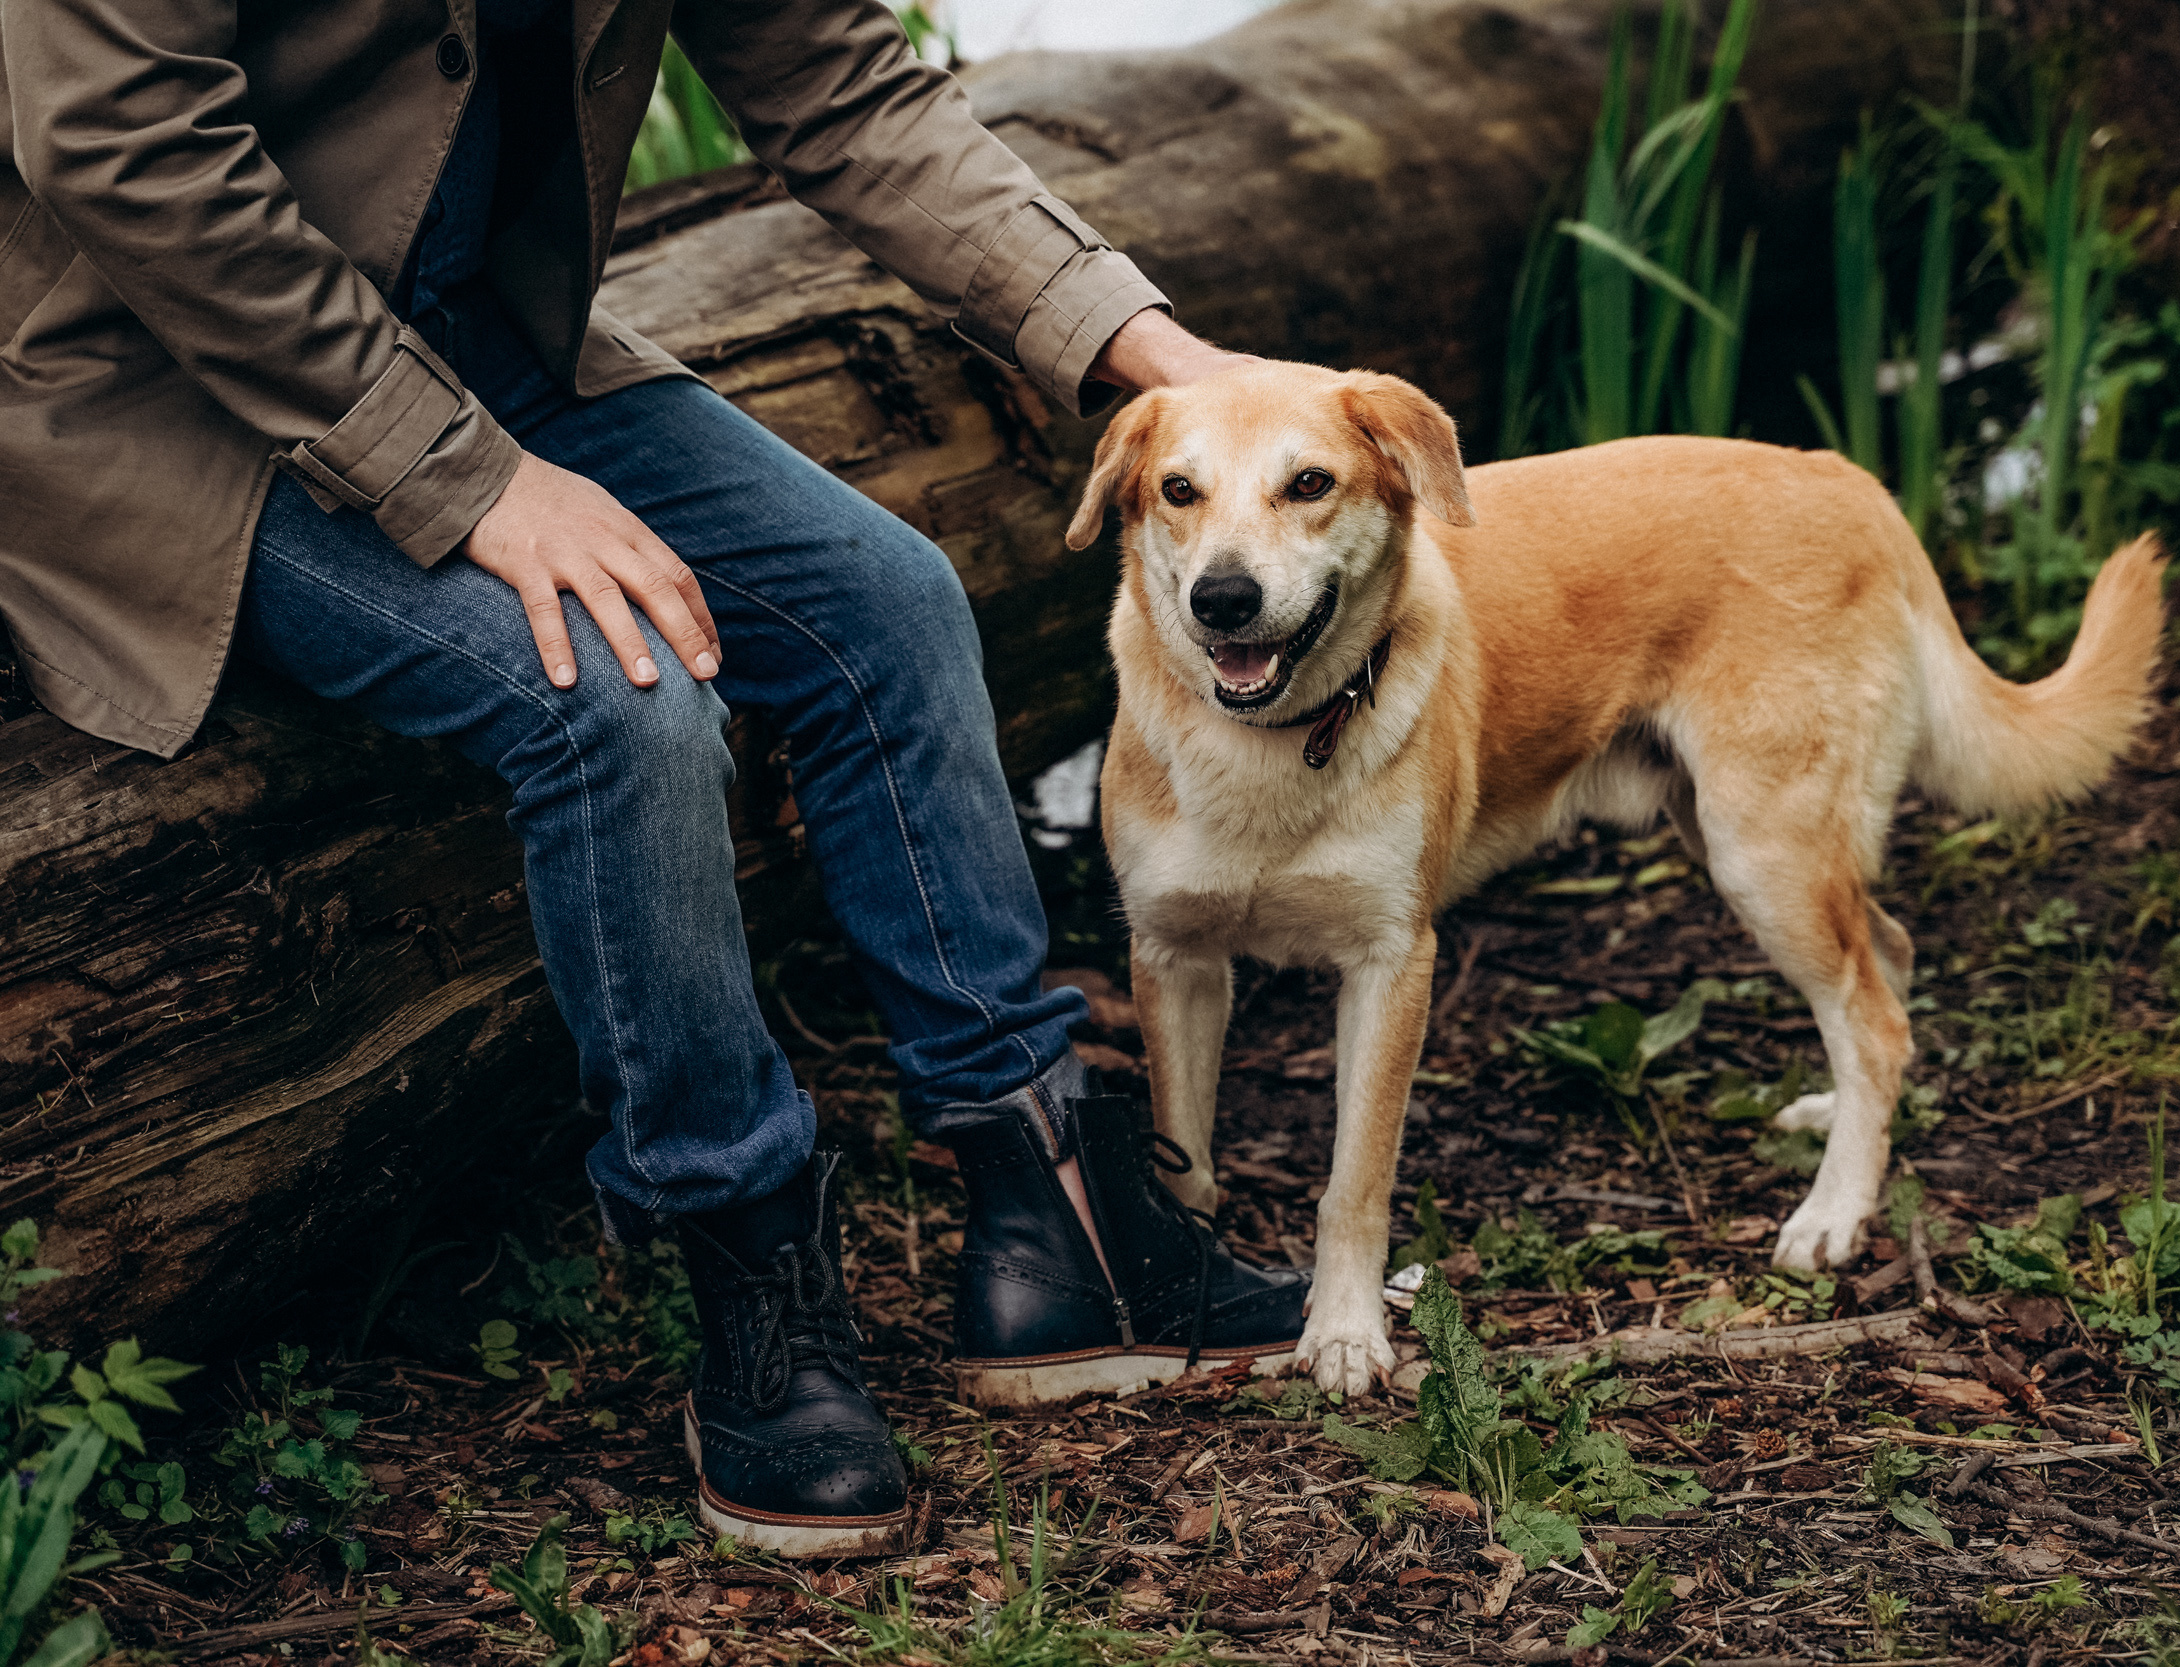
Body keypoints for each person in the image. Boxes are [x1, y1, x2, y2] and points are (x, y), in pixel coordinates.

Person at [0, 0, 1308, 1556]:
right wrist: (474, 483)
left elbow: (835, 83)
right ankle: (750, 1271)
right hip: (149, 389)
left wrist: (1158, 355)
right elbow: (121, 144)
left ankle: (1059, 1233)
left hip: (473, 334)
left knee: (885, 605)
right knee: (615, 693)